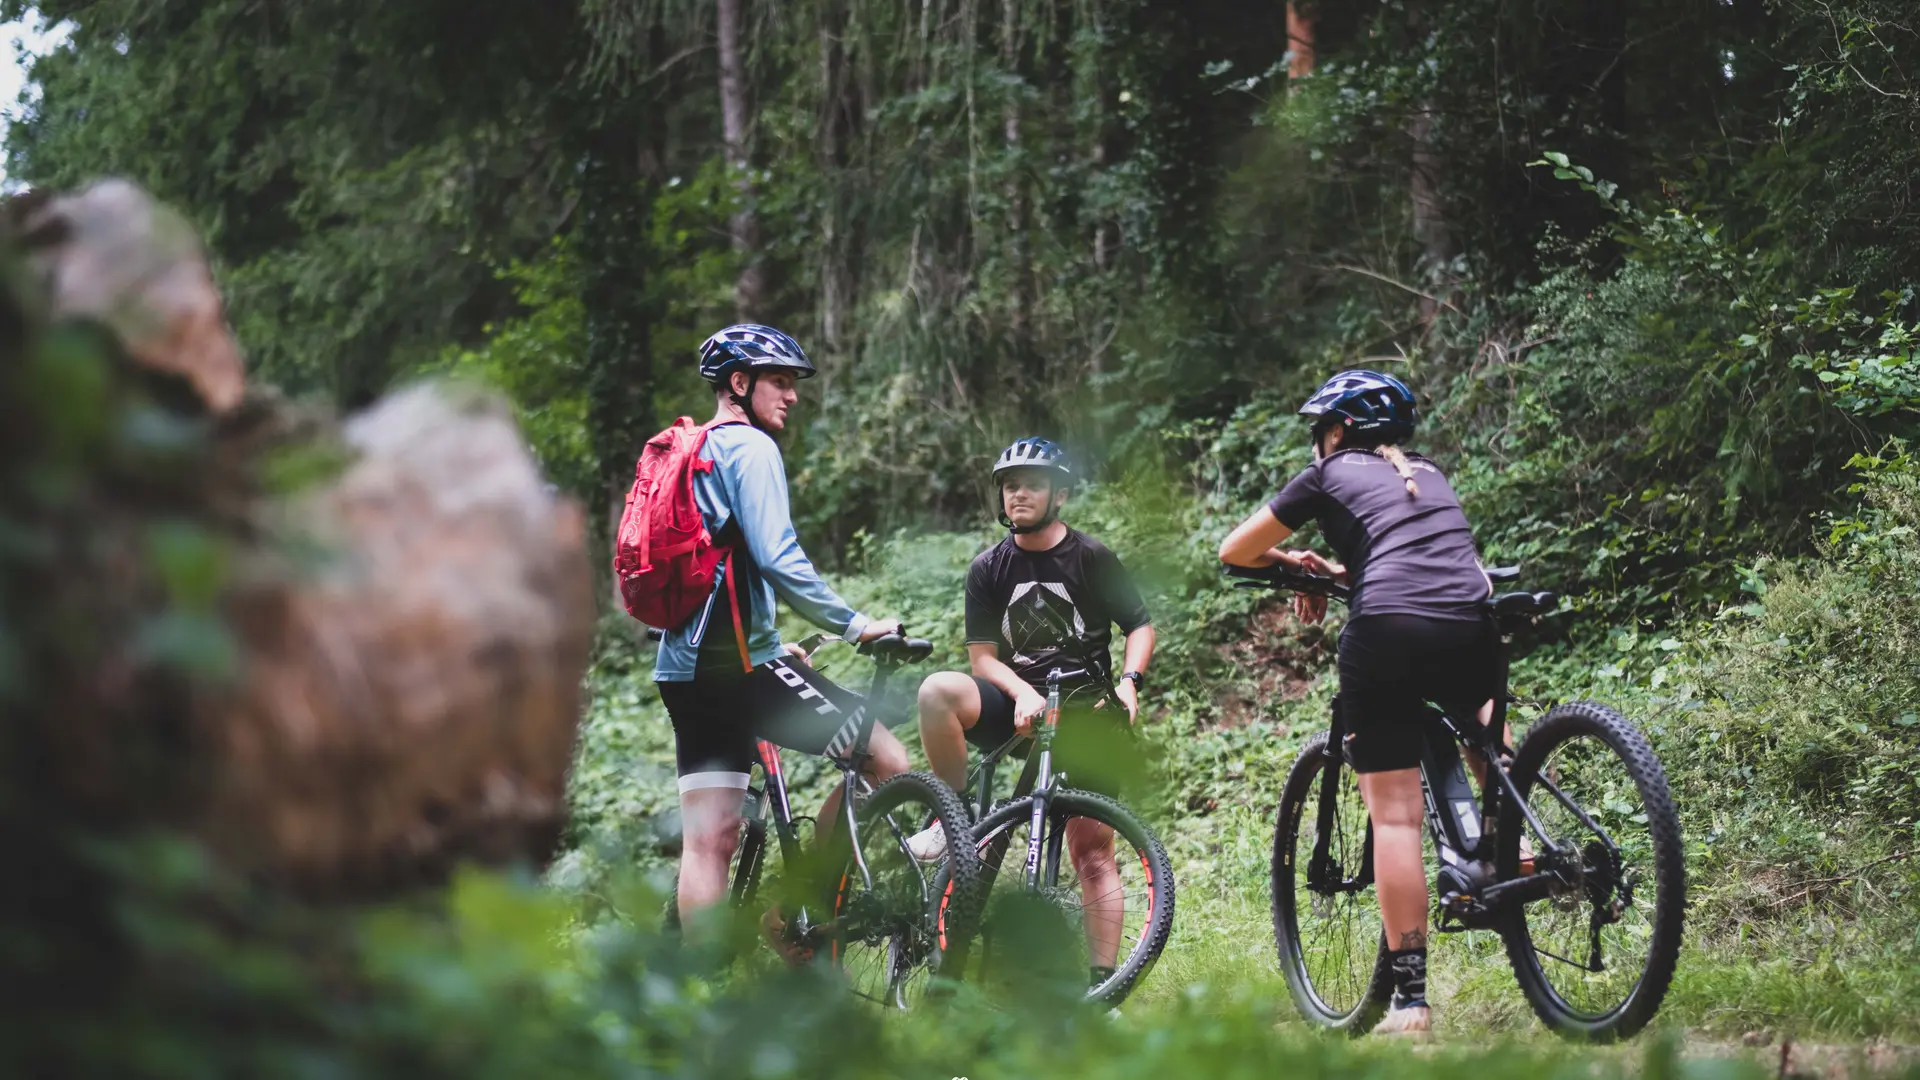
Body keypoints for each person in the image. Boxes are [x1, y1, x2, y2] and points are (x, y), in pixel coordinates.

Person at [1217, 369, 1496, 1037]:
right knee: (1487, 731)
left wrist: (1297, 565)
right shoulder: (1427, 472)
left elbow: (1236, 551)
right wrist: (1342, 569)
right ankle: (1511, 842)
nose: (1318, 441)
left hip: (1387, 627)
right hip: (1473, 614)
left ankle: (1412, 1002)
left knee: (1395, 819)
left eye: (1321, 430)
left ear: (1339, 432)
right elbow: (1411, 550)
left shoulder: (1326, 473)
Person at [654, 323, 909, 935]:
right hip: (739, 667)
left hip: (684, 670)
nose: (791, 395)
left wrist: (770, 641)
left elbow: (720, 565)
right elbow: (777, 556)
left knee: (707, 842)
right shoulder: (750, 448)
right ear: (739, 383)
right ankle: (802, 903)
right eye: (779, 380)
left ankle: (703, 980)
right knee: (886, 757)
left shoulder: (694, 451)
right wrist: (856, 626)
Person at [911, 437, 1156, 988]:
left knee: (1092, 852)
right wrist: (1023, 693)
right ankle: (950, 818)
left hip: (1085, 709)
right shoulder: (988, 567)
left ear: (1060, 495)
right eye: (1010, 485)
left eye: (1033, 485)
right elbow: (982, 659)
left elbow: (1139, 625)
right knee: (937, 691)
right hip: (1018, 703)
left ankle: (1100, 987)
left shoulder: (1091, 557)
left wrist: (1129, 683)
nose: (1019, 494)